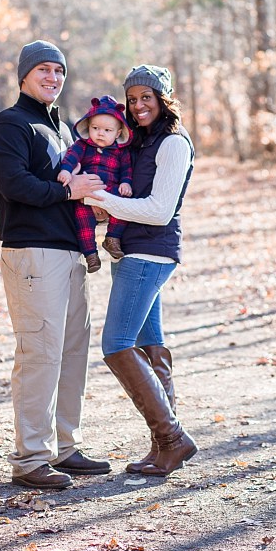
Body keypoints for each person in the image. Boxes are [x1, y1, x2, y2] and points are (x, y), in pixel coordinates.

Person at [0, 39, 111, 490]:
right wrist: (67, 191)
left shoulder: (62, 130)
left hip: (71, 252)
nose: (53, 78)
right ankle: (30, 457)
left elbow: (72, 188)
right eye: (43, 70)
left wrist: (93, 204)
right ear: (23, 75)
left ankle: (66, 447)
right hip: (32, 251)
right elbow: (13, 183)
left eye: (59, 71)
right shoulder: (11, 123)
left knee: (73, 352)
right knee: (40, 352)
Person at [84, 64, 199, 476]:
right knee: (151, 346)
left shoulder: (172, 143)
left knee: (116, 343)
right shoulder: (141, 143)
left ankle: (172, 438)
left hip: (151, 253)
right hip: (132, 251)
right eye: (131, 100)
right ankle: (163, 447)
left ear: (162, 99)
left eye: (145, 98)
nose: (137, 106)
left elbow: (158, 210)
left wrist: (101, 197)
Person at [57, 95, 134, 273]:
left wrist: (126, 183)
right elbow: (71, 157)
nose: (100, 133)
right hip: (87, 193)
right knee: (83, 221)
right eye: (95, 128)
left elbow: (127, 170)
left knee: (123, 207)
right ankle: (90, 254)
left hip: (111, 191)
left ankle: (112, 238)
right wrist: (66, 171)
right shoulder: (82, 145)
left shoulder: (121, 152)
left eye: (107, 130)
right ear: (88, 127)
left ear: (118, 133)